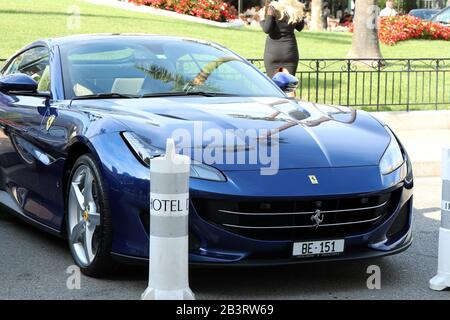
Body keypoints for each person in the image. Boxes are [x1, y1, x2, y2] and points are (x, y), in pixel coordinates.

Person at [260, 0, 305, 78]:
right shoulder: (295, 9)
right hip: (290, 52)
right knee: (289, 86)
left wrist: (262, 19)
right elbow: (300, 28)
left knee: (273, 86)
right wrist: (299, 12)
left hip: (273, 52)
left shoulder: (273, 8)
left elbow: (266, 29)